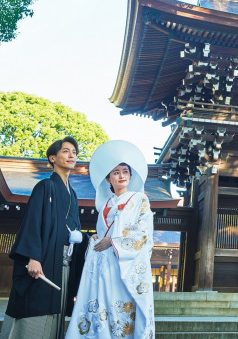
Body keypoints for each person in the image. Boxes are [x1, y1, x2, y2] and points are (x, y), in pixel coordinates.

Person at [65, 140, 155, 339]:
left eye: (125, 171)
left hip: (124, 266)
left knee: (121, 311)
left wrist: (113, 242)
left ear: (130, 176)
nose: (121, 176)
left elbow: (143, 234)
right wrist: (97, 238)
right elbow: (103, 232)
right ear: (108, 179)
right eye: (115, 172)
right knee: (103, 309)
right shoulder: (105, 204)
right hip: (105, 266)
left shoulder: (139, 199)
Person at [1, 136, 85, 339]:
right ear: (52, 158)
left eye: (74, 152)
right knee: (36, 305)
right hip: (44, 260)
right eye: (66, 151)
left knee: (56, 308)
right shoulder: (45, 186)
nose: (71, 155)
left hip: (63, 262)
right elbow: (32, 221)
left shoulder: (72, 194)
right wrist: (32, 257)